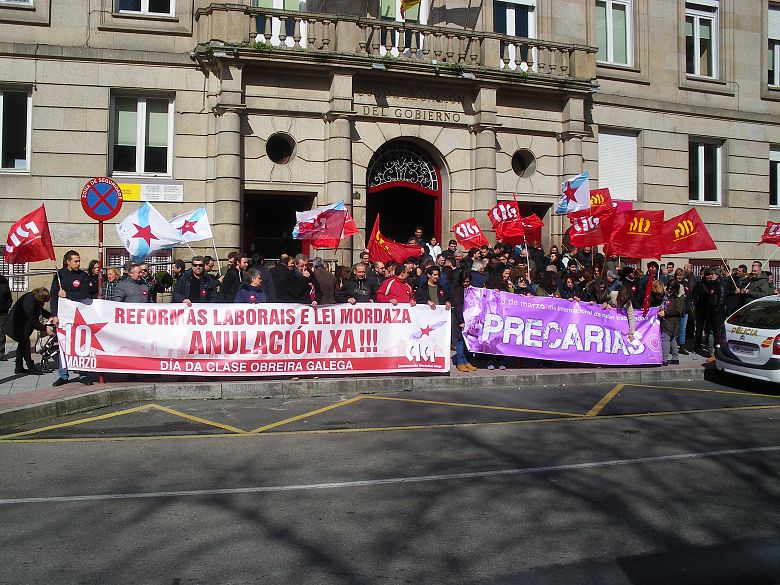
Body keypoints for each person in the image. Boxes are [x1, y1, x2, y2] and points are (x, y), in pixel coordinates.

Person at [51, 250, 92, 386]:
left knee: (80, 344)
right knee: (63, 345)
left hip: (79, 316)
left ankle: (83, 374)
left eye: (79, 261)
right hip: (63, 317)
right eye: (76, 261)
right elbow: (53, 296)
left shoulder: (83, 275)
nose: (79, 263)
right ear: (68, 261)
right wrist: (54, 315)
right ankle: (63, 375)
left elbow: (84, 292)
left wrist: (67, 294)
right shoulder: (59, 275)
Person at [4, 287, 56, 375]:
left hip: (21, 326)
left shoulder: (34, 299)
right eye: (44, 301)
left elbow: (40, 310)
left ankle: (19, 367)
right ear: (41, 297)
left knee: (22, 345)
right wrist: (45, 329)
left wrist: (50, 316)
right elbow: (32, 319)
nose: (43, 303)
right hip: (16, 326)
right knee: (25, 345)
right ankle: (31, 367)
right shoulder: (29, 300)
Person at [660, 280, 685, 366]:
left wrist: (666, 313)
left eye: (671, 289)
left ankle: (664, 359)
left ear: (675, 289)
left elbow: (678, 311)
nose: (669, 290)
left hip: (672, 321)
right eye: (668, 288)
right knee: (672, 340)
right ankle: (675, 358)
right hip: (667, 320)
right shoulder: (667, 295)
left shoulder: (678, 297)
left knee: (665, 339)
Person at [0, 273, 11, 361]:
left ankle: (0, 354)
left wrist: (7, 306)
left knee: (2, 333)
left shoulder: (3, 280)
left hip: (2, 311)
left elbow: (8, 295)